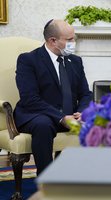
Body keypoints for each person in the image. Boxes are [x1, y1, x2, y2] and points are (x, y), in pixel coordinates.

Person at [14, 19, 93, 175]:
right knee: (43, 125)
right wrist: (62, 118)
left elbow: (86, 93)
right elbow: (30, 99)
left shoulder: (75, 61)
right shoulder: (28, 60)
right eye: (70, 39)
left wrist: (83, 111)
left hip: (71, 115)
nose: (74, 42)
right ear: (53, 41)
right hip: (38, 115)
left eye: (74, 38)